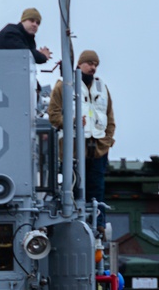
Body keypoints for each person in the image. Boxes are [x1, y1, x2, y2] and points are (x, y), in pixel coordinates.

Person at [47, 50, 115, 229]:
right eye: (90, 63)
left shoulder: (102, 87)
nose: (93, 67)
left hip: (98, 148)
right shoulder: (64, 86)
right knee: (73, 189)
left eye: (95, 64)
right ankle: (74, 224)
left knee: (97, 190)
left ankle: (98, 224)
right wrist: (72, 122)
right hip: (74, 148)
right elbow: (53, 116)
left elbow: (110, 117)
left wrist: (107, 141)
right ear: (79, 64)